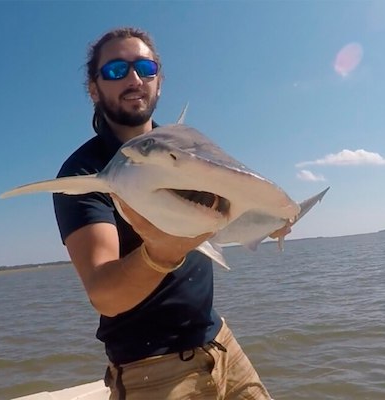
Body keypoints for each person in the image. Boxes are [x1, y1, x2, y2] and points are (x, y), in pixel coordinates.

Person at [53, 27, 281, 400]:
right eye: (116, 70)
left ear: (159, 81)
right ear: (93, 89)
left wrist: (267, 218)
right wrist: (162, 252)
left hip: (221, 342)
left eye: (145, 68)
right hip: (151, 370)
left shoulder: (193, 148)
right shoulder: (84, 174)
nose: (134, 79)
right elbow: (105, 295)